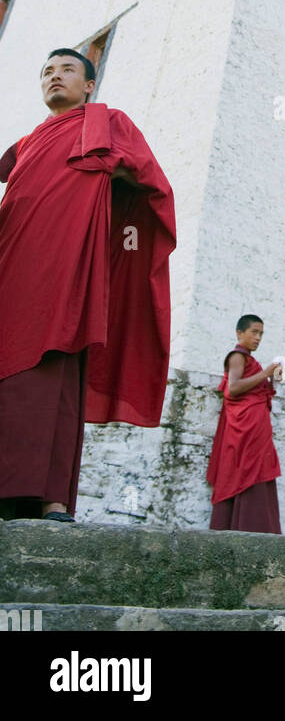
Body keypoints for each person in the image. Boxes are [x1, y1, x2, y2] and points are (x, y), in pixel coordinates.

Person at [0, 49, 175, 523]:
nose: (55, 77)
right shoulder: (26, 143)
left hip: (66, 263)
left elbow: (150, 181)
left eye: (68, 70)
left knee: (54, 361)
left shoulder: (106, 121)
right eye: (47, 72)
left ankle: (52, 498)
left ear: (90, 85)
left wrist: (104, 171)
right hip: (15, 256)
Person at [207, 314, 282, 534]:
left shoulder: (250, 360)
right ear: (240, 333)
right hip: (244, 426)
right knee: (245, 471)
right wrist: (266, 372)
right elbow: (235, 388)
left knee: (258, 470)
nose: (258, 338)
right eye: (254, 332)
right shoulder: (237, 356)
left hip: (255, 425)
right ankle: (240, 525)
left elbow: (257, 389)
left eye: (261, 334)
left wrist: (273, 378)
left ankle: (255, 526)